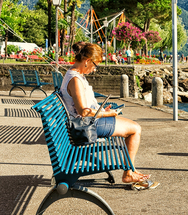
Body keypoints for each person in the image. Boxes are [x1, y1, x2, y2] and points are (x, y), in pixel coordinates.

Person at [59, 42, 152, 185]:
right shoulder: (75, 80)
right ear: (87, 61)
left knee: (132, 127)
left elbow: (84, 108)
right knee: (135, 129)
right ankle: (128, 174)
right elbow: (83, 112)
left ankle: (130, 170)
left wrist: (102, 110)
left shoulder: (76, 75)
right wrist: (106, 114)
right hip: (86, 126)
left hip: (86, 123)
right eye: (95, 65)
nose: (95, 69)